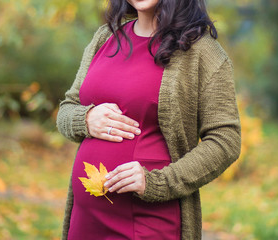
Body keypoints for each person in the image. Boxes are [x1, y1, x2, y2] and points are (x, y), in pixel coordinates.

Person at [56, 0, 241, 239]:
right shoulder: (105, 37)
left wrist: (156, 182)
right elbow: (66, 109)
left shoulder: (202, 52)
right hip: (86, 221)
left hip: (148, 223)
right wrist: (86, 119)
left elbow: (226, 140)